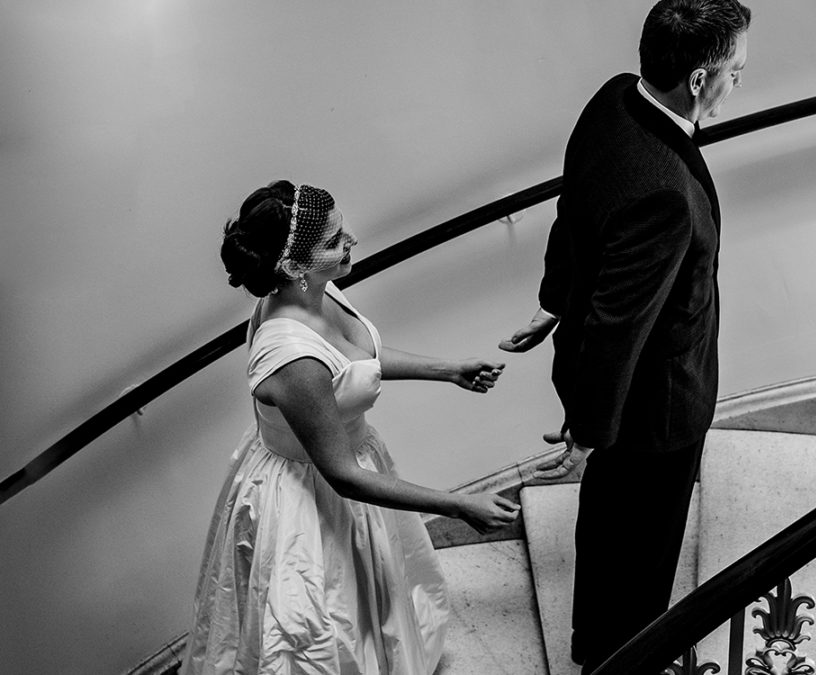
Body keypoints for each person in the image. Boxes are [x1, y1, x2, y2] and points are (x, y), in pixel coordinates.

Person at [181, 180, 521, 675]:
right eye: (334, 240)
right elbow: (342, 474)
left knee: (371, 603)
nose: (352, 240)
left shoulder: (314, 288)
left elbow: (360, 359)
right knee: (321, 625)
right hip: (311, 495)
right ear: (294, 265)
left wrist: (447, 370)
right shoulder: (291, 358)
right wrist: (459, 504)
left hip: (349, 467)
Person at [500, 1, 751, 670]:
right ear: (698, 80)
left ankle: (599, 641)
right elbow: (619, 323)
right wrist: (587, 429)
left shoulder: (612, 101)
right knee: (644, 542)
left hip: (629, 405)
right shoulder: (665, 190)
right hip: (659, 409)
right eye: (735, 72)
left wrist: (554, 301)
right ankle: (628, 654)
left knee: (609, 520)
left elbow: (574, 211)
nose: (739, 84)